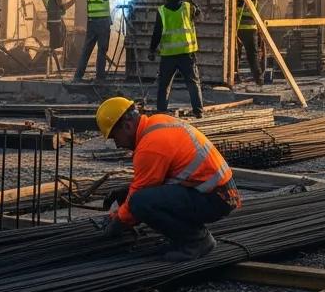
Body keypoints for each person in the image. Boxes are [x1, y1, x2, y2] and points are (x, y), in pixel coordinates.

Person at [95, 97, 240, 261]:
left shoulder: (150, 147)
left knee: (140, 203)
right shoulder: (157, 122)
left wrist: (117, 223)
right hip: (219, 192)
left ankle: (198, 241)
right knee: (138, 198)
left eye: (115, 137)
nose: (117, 145)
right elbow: (153, 183)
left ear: (127, 126)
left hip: (215, 199)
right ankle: (185, 237)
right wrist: (125, 194)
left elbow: (139, 198)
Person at [148, 0, 204, 117]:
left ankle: (161, 111)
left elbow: (157, 33)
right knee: (193, 83)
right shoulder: (188, 7)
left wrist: (152, 50)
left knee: (164, 85)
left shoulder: (162, 11)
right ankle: (198, 112)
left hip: (168, 55)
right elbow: (200, 16)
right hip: (187, 54)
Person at [71, 0, 126, 83]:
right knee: (101, 51)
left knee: (86, 50)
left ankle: (77, 76)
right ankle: (100, 78)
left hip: (91, 23)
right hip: (103, 24)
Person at [236, 0, 265, 85]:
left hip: (240, 29)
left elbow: (237, 13)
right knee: (252, 56)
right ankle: (258, 79)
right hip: (250, 30)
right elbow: (258, 14)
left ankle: (236, 76)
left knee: (237, 55)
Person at [42, 0, 75, 68]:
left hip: (51, 22)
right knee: (58, 46)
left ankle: (51, 67)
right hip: (56, 22)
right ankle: (56, 68)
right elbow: (63, 7)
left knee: (53, 44)